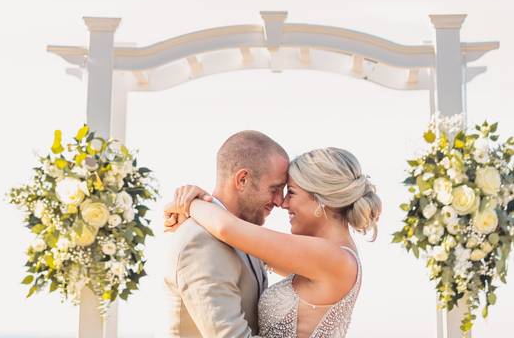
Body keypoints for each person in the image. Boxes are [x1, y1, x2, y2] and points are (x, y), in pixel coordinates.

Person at [165, 146, 382, 338]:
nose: (283, 203)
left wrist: (190, 203)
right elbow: (244, 242)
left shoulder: (333, 257)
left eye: (292, 193)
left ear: (321, 200)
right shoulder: (329, 257)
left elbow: (227, 228)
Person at [161, 130, 290, 337]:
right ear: (242, 180)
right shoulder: (200, 241)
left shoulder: (246, 234)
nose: (280, 201)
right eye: (274, 189)